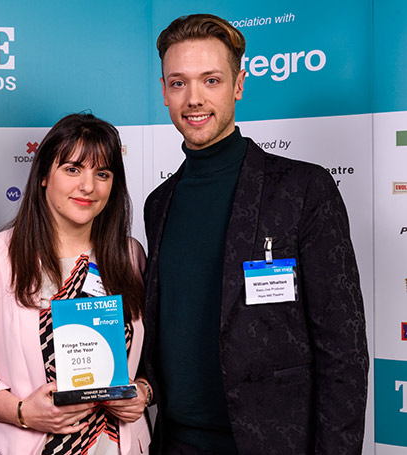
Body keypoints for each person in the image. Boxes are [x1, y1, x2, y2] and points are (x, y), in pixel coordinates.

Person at [140, 13, 369, 455]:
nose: (193, 99)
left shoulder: (303, 190)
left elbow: (344, 352)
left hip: (274, 443)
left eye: (211, 80)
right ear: (164, 92)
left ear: (239, 85)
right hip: (176, 442)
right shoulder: (159, 203)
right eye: (178, 83)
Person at [0, 113, 152, 454]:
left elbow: (149, 360)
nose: (88, 186)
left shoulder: (130, 256)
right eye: (73, 169)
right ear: (44, 175)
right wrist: (23, 412)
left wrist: (142, 392)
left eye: (102, 173)